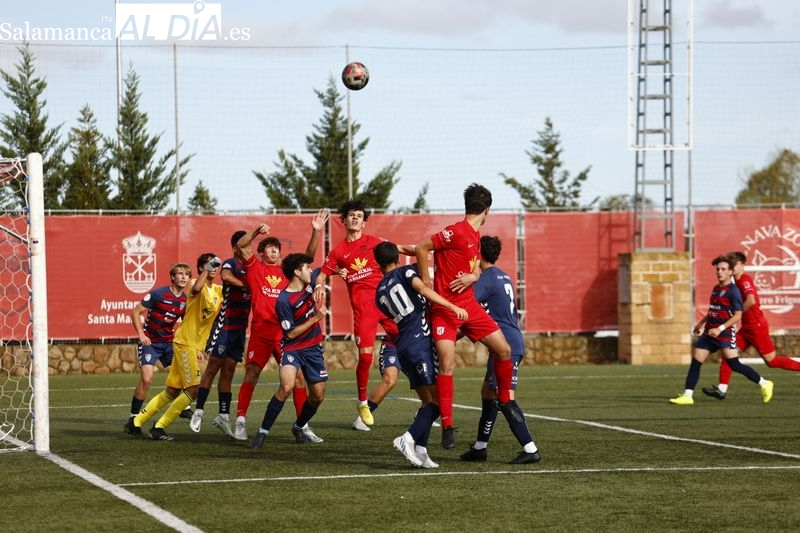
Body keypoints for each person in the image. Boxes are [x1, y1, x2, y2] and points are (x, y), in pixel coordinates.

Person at [415, 183, 519, 449]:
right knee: (448, 364)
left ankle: (505, 399)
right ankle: (447, 426)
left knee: (503, 350)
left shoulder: (475, 236)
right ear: (487, 210)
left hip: (469, 306)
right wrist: (426, 282)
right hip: (445, 311)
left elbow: (473, 269)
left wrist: (473, 276)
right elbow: (421, 247)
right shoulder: (457, 232)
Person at [312, 199, 412, 429]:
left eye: (359, 215)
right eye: (351, 215)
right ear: (344, 220)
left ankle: (428, 401)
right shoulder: (338, 252)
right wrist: (319, 285)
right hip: (364, 310)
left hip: (387, 305)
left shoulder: (376, 243)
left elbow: (397, 252)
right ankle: (363, 402)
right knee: (365, 356)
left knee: (414, 344)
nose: (355, 218)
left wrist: (421, 249)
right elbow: (321, 275)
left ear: (364, 222)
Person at [233, 209, 328, 443]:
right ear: (261, 251)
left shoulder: (287, 272)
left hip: (287, 335)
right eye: (270, 247)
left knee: (295, 381)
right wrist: (255, 230)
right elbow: (240, 247)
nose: (275, 250)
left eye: (277, 247)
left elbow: (307, 258)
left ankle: (302, 426)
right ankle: (241, 421)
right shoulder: (255, 267)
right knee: (252, 373)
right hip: (262, 331)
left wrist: (316, 232)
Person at [373, 241, 467, 468]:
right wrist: (452, 307)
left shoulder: (379, 292)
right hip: (419, 345)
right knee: (438, 400)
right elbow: (424, 289)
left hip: (402, 346)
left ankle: (421, 450)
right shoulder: (406, 271)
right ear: (397, 257)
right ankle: (407, 438)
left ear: (378, 264)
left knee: (427, 400)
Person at [459, 236, 541, 464]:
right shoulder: (503, 275)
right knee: (488, 393)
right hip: (504, 343)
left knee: (505, 398)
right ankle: (480, 447)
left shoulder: (486, 279)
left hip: (507, 346)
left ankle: (530, 448)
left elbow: (466, 308)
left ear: (477, 254)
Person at [126, 253, 223, 440]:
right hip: (181, 343)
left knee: (172, 390)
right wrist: (141, 334)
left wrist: (198, 349)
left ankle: (136, 422)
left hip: (184, 344)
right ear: (202, 269)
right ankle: (160, 426)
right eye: (208, 265)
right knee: (194, 388)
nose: (213, 268)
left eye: (215, 266)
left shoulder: (217, 291)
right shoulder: (195, 284)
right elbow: (196, 288)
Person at [669, 254, 774, 405]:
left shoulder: (733, 291)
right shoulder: (716, 289)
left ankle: (764, 383)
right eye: (718, 269)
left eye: (723, 269)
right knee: (696, 361)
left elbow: (737, 315)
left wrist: (720, 328)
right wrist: (701, 323)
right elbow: (714, 310)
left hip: (724, 333)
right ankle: (687, 396)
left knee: (734, 365)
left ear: (730, 272)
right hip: (709, 333)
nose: (719, 272)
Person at [252, 253, 328, 448]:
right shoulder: (284, 300)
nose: (310, 271)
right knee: (286, 387)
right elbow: (291, 334)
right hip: (293, 348)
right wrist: (315, 318)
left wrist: (320, 284)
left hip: (313, 349)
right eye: (306, 268)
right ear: (297, 272)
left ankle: (299, 425)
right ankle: (262, 431)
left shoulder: (310, 284)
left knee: (318, 396)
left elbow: (326, 270)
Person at [703, 250, 800, 400]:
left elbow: (751, 300)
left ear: (742, 265)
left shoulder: (744, 280)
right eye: (731, 264)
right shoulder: (735, 282)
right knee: (729, 354)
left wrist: (736, 312)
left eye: (735, 264)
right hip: (747, 327)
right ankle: (721, 389)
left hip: (756, 326)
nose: (732, 267)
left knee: (772, 361)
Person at [190, 231, 251, 438]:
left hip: (240, 329)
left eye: (250, 245)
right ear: (236, 247)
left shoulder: (253, 268)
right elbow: (224, 276)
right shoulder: (230, 264)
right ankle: (199, 410)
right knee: (213, 366)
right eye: (245, 245)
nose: (249, 248)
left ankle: (223, 417)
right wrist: (247, 285)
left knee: (229, 372)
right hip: (224, 326)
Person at [126, 262, 191, 427]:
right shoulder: (158, 294)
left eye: (187, 274)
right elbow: (135, 311)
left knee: (185, 372)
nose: (184, 277)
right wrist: (141, 335)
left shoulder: (185, 300)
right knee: (147, 380)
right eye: (180, 273)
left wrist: (190, 345)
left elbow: (186, 324)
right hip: (150, 342)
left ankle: (186, 407)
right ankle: (133, 418)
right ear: (172, 277)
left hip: (168, 342)